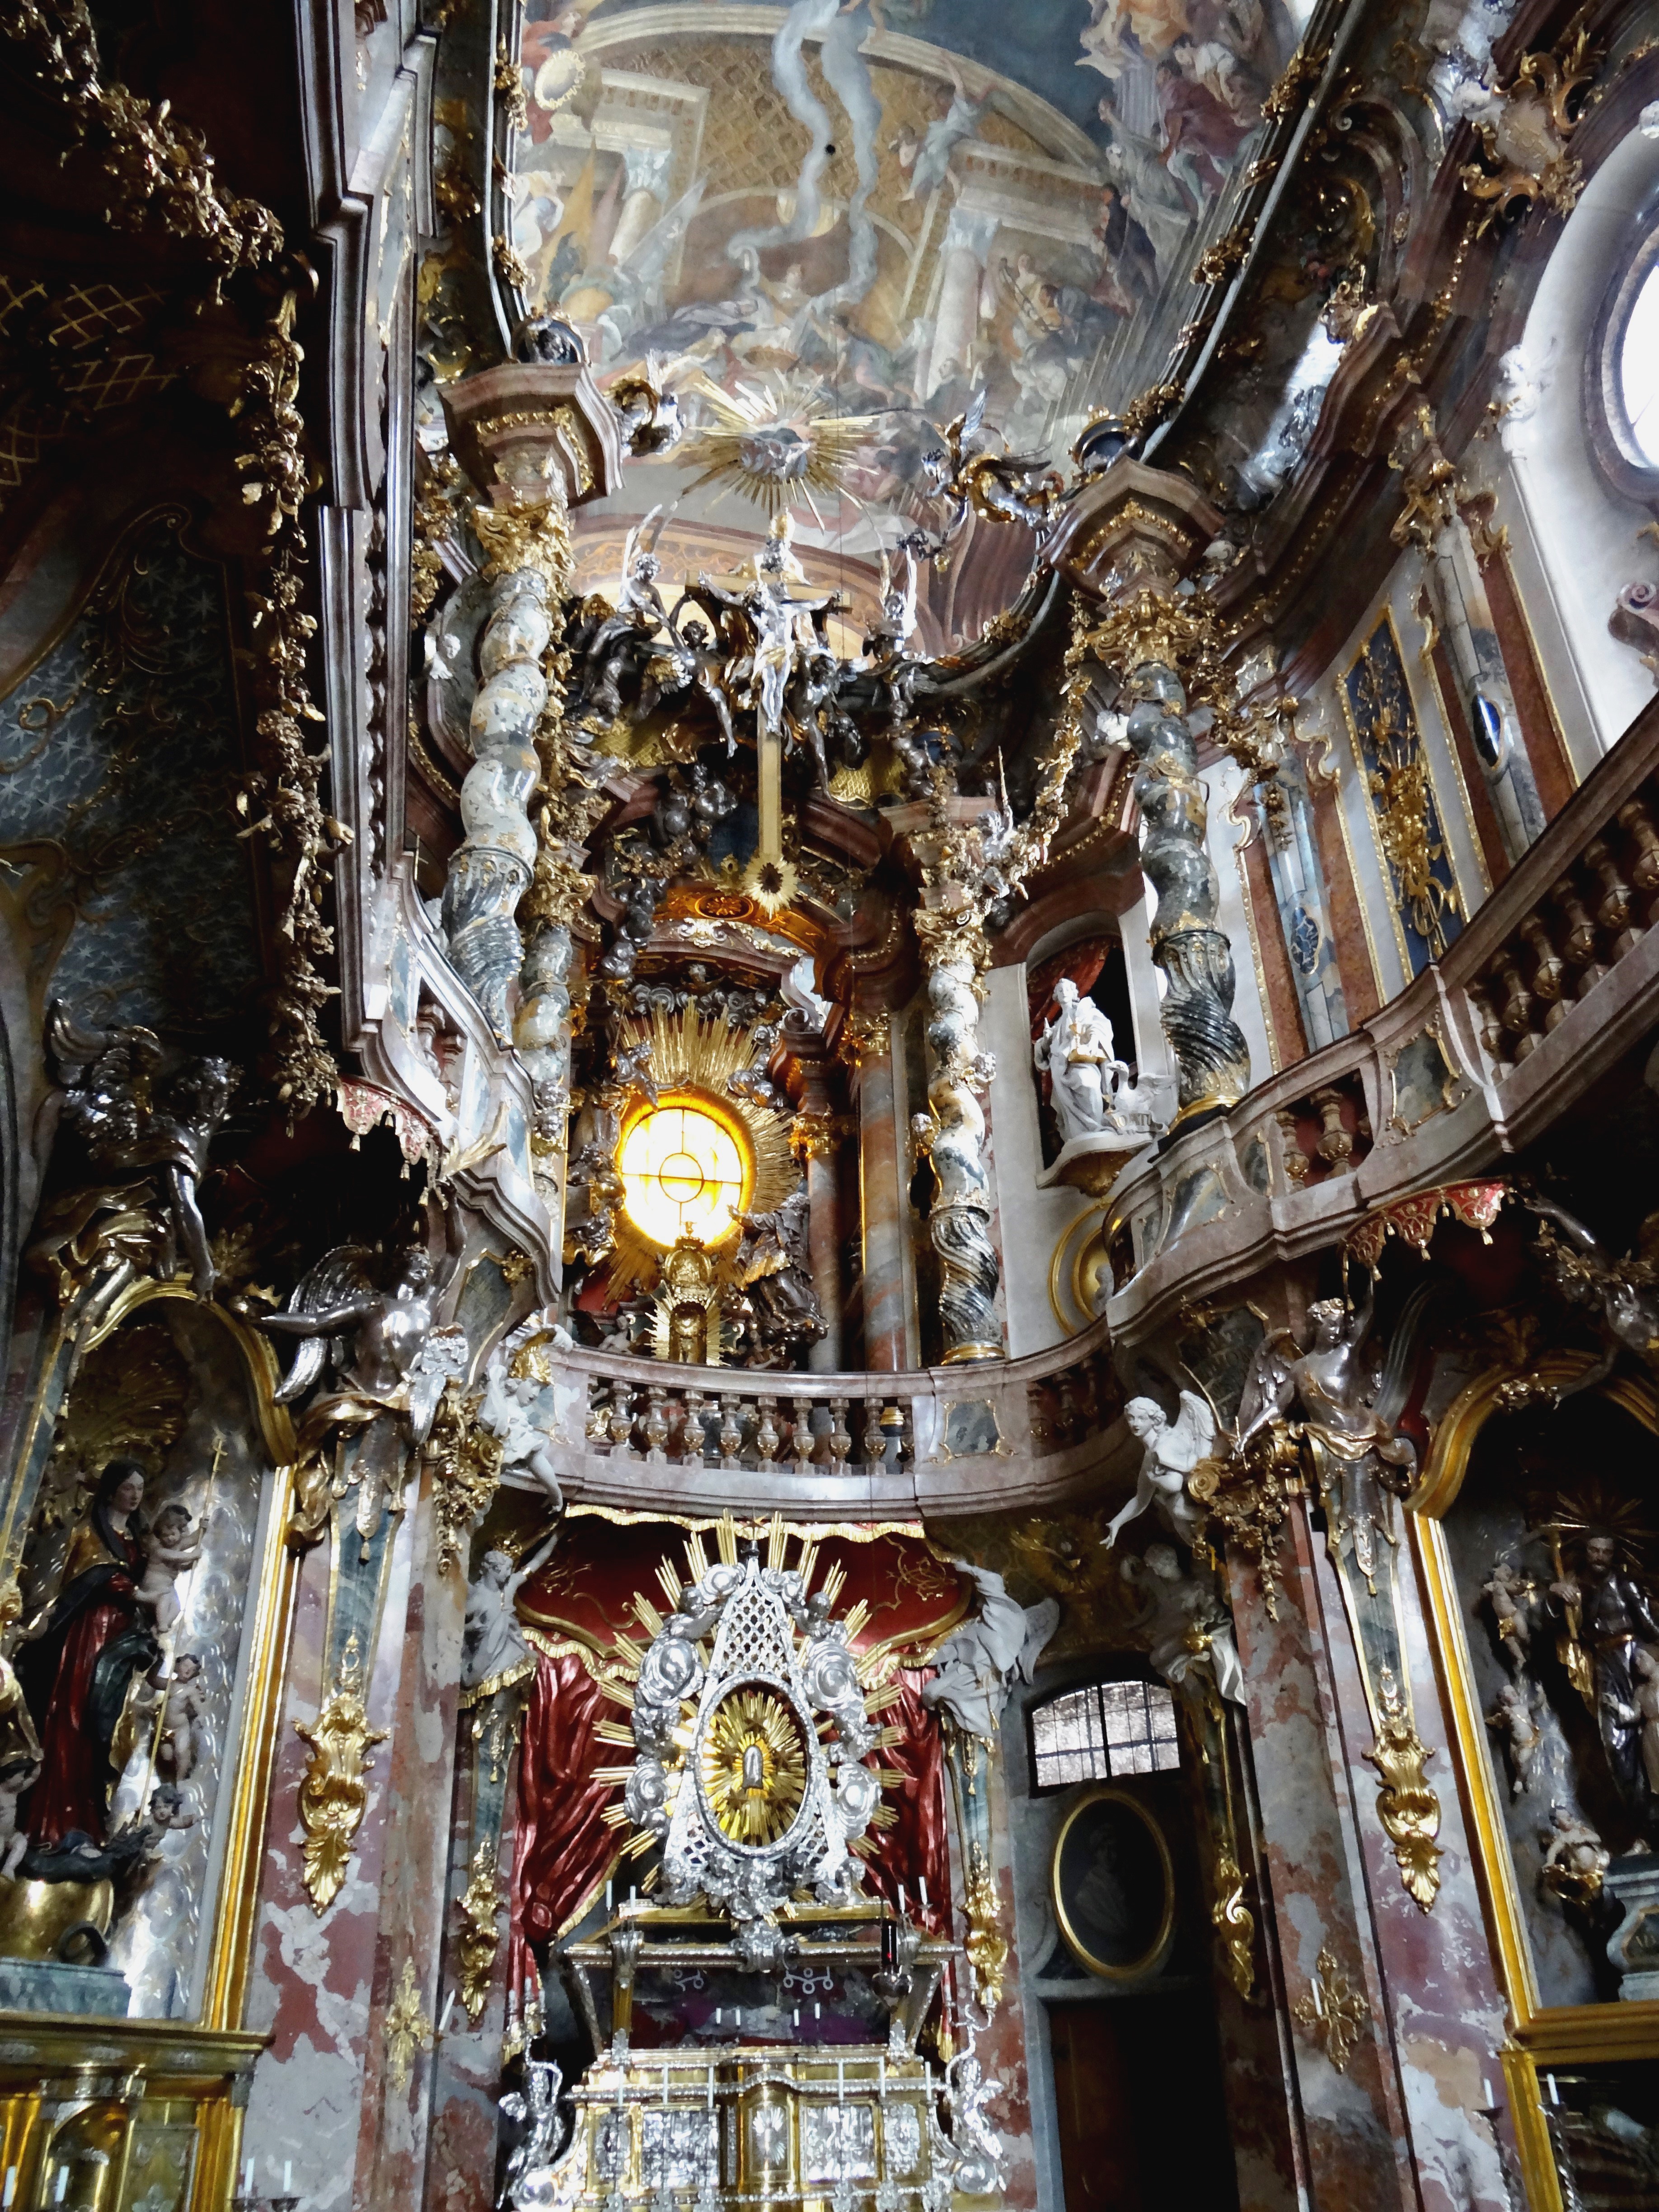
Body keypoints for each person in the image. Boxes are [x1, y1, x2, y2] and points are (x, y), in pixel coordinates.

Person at [16, 1458, 160, 1851]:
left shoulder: (137, 1540)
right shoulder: (88, 1532)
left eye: (140, 1490)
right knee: (74, 1716)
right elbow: (78, 1580)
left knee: (105, 1726)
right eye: (129, 1487)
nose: (135, 1496)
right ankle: (51, 1824)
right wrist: (128, 1590)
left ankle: (89, 1821)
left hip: (121, 1639)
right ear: (112, 1489)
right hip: (86, 1637)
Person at [134, 1501, 201, 1637]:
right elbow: (177, 1557)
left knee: (176, 1607)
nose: (170, 1538)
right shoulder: (160, 1551)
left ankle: (158, 1629)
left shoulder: (178, 1544)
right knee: (163, 1599)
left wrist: (202, 1528)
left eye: (173, 1534)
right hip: (155, 1584)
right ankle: (161, 1621)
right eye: (165, 1536)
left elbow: (193, 1540)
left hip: (168, 1585)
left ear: (180, 1531)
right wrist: (192, 1555)